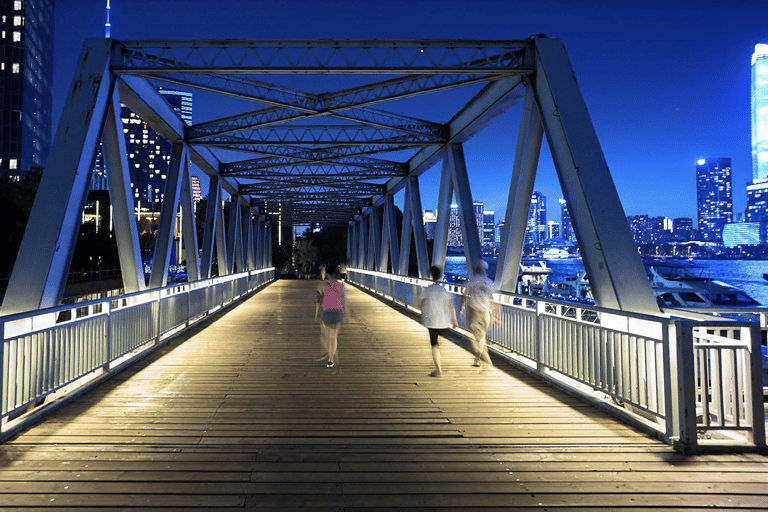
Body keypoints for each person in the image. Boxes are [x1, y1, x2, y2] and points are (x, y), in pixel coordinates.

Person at [419, 265, 458, 377]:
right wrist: (454, 321)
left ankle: (438, 370)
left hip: (432, 321)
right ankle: (441, 361)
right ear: (440, 276)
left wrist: (422, 313)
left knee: (434, 345)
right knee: (441, 341)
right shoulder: (444, 291)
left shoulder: (427, 290)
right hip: (444, 321)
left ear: (431, 276)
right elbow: (451, 306)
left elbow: (421, 304)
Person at [459, 260, 497, 368]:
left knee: (475, 334)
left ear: (476, 270)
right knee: (482, 335)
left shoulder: (472, 281)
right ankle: (481, 358)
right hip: (486, 312)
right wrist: (494, 314)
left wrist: (461, 307)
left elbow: (464, 295)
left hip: (474, 312)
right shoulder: (489, 282)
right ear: (485, 270)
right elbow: (493, 298)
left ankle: (478, 353)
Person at [315, 265, 346, 368]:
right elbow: (344, 302)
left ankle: (329, 356)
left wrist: (316, 315)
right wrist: (347, 315)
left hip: (327, 312)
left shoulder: (321, 285)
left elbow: (318, 301)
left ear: (326, 274)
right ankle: (331, 358)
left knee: (327, 336)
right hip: (338, 312)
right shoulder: (341, 286)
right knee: (334, 336)